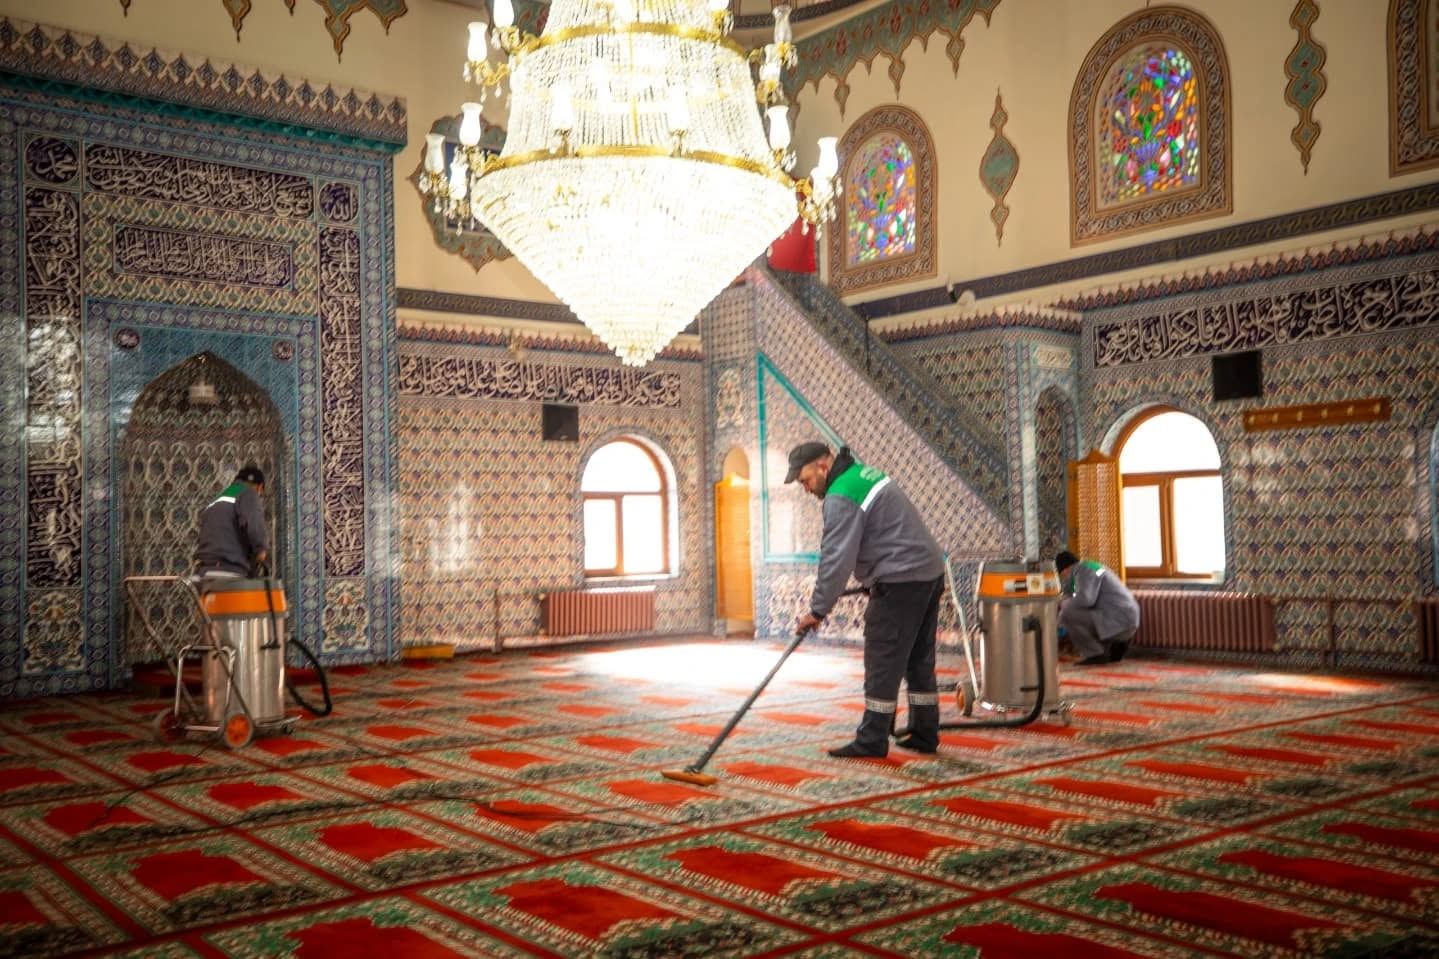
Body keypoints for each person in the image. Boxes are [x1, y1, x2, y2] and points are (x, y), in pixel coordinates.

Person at [788, 441, 945, 758]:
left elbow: (836, 559)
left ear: (822, 465)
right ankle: (924, 732)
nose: (805, 488)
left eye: (804, 480)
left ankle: (872, 739)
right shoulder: (863, 474)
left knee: (882, 660)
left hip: (901, 580)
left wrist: (817, 610)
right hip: (927, 573)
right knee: (918, 661)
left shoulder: (841, 494)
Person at [1055, 549, 1139, 665]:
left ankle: (1095, 653)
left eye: (1063, 575)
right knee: (1075, 611)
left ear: (1065, 569)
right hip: (1126, 619)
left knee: (1067, 614)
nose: (1064, 578)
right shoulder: (1092, 567)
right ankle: (1114, 646)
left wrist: (1062, 607)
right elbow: (1077, 594)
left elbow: (1085, 599)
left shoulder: (1082, 570)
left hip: (1119, 620)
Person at [194, 464, 271, 585]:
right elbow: (254, 527)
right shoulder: (248, 493)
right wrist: (261, 550)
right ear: (259, 487)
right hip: (228, 570)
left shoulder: (217, 500)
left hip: (204, 571)